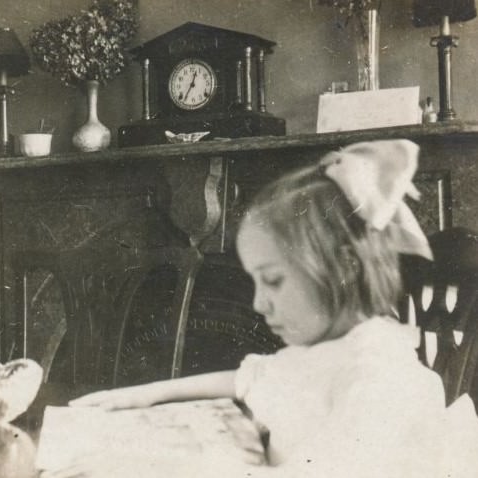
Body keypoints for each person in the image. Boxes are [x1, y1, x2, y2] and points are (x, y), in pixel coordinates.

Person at [56, 140, 478, 478]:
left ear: (344, 268)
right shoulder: (329, 349)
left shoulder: (380, 376)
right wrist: (141, 395)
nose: (258, 303)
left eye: (273, 280)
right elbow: (246, 378)